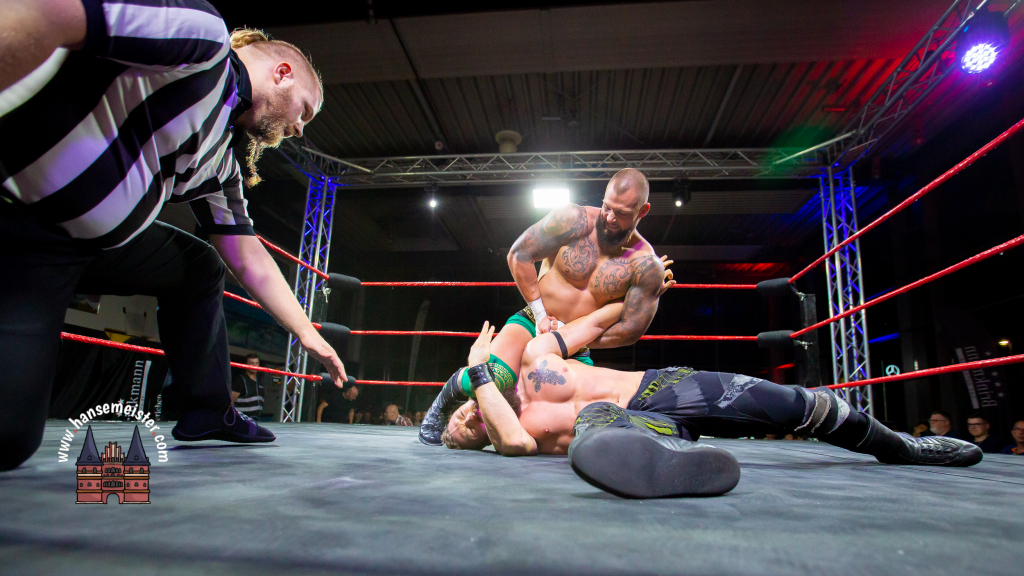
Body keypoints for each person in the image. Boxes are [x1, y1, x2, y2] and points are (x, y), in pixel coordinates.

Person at [0, 0, 347, 471]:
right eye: (305, 109)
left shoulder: (221, 162)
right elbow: (53, 13)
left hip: (78, 252)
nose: (300, 128)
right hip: (20, 223)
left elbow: (246, 255)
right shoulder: (202, 39)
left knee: (200, 265)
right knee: (9, 437)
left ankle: (208, 411)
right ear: (282, 73)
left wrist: (307, 333)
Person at [436, 315, 982, 498]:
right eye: (463, 428)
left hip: (661, 386)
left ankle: (904, 446)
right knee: (595, 430)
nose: (467, 418)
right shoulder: (514, 432)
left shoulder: (537, 352)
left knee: (794, 402)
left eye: (460, 411)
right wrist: (478, 374)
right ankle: (668, 463)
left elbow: (597, 322)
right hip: (628, 425)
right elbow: (512, 441)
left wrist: (642, 288)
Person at [419, 168, 674, 444]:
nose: (610, 218)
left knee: (563, 422)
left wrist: (568, 336)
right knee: (493, 380)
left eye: (621, 213)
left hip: (576, 344)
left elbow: (630, 330)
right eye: (606, 207)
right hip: (532, 320)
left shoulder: (645, 265)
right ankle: (448, 393)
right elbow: (518, 255)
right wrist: (542, 316)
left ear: (642, 211)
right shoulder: (573, 220)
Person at [231, 353, 265, 420]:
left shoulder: (259, 381)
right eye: (251, 363)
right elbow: (231, 400)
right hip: (242, 420)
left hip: (256, 420)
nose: (254, 365)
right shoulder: (241, 380)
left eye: (256, 363)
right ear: (246, 365)